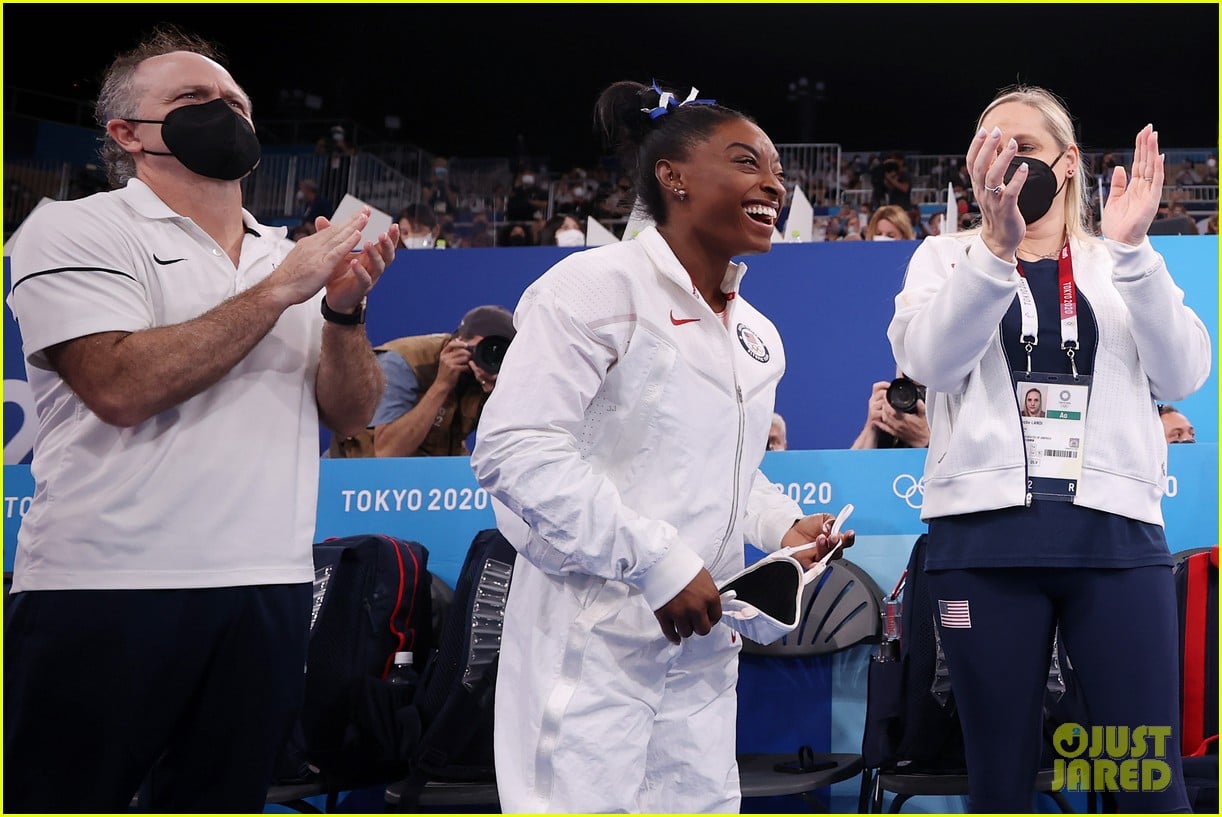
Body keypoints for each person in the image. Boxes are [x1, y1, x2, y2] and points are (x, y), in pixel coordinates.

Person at [2, 26, 395, 812]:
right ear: (126, 134)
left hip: (268, 586)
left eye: (236, 103)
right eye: (193, 100)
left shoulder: (289, 253)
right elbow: (119, 384)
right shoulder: (74, 228)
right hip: (108, 585)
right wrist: (285, 289)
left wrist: (344, 313)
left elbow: (351, 414)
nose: (225, 112)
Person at [469, 79, 854, 814]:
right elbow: (514, 448)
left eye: (776, 168)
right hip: (592, 640)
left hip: (703, 648)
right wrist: (655, 558)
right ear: (673, 177)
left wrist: (779, 525)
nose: (773, 181)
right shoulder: (591, 286)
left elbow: (719, 472)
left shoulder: (758, 335)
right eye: (746, 161)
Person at [888, 84, 1210, 811]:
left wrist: (1134, 255)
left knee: (1144, 776)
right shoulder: (945, 258)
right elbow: (933, 365)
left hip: (1116, 543)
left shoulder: (1120, 261)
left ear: (1067, 164)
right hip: (983, 548)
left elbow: (1183, 372)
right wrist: (995, 251)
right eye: (989, 148)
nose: (1005, 161)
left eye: (1023, 147)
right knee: (1000, 779)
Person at [329, 305, 514, 458]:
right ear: (459, 341)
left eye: (500, 353)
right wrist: (442, 385)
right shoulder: (403, 362)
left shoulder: (500, 374)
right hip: (355, 482)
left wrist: (496, 394)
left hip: (429, 479)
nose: (490, 357)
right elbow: (387, 452)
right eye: (483, 348)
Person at [850, 378, 930, 449]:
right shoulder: (890, 415)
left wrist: (925, 439)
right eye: (906, 376)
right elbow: (852, 465)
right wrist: (872, 426)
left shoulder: (941, 416)